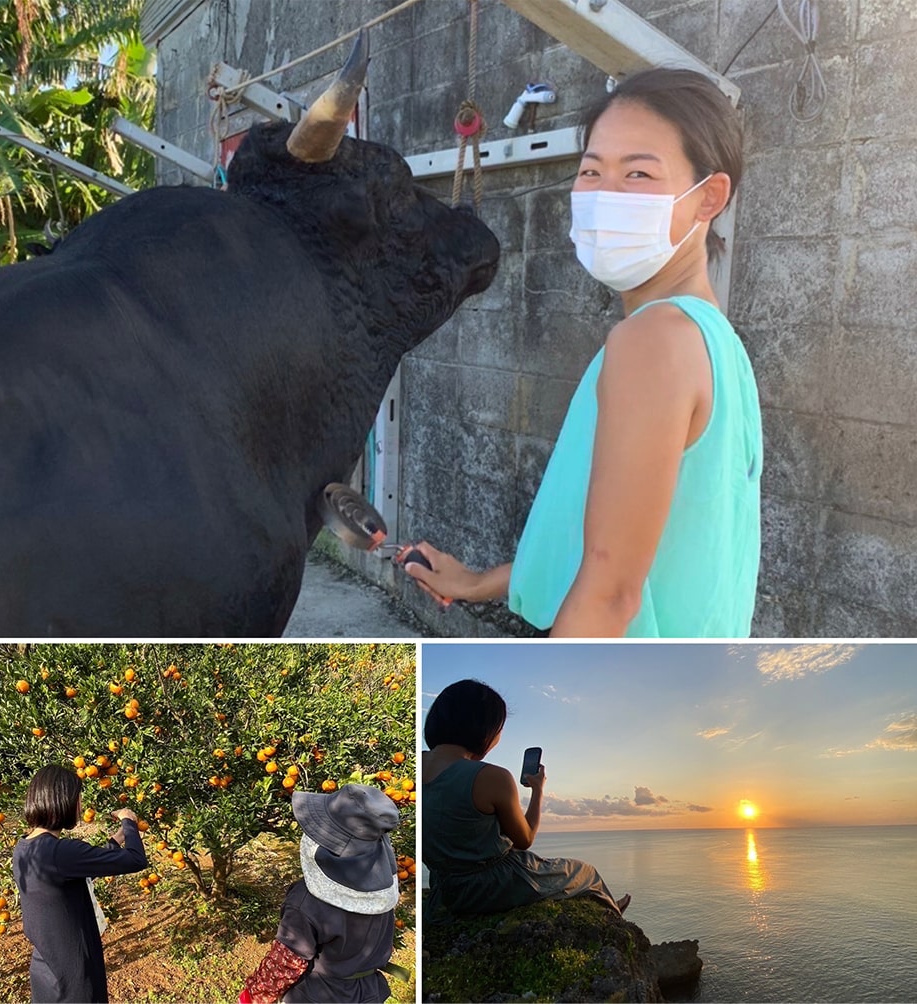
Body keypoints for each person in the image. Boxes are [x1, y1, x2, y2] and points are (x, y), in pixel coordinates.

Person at [405, 68, 762, 638]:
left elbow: (610, 593)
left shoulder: (654, 339)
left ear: (708, 198)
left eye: (638, 172)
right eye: (592, 170)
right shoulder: (715, 342)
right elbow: (624, 548)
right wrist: (476, 582)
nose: (603, 194)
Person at [422, 679, 629, 923]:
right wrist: (538, 790)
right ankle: (615, 917)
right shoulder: (492, 776)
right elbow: (524, 839)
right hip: (495, 885)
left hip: (447, 886)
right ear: (484, 729)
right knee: (586, 872)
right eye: (499, 730)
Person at [241, 784, 407, 1004]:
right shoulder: (382, 889)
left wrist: (252, 996)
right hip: (367, 993)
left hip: (319, 996)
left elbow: (286, 963)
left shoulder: (307, 902)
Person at [12, 765, 148, 1003]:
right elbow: (136, 860)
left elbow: (75, 872)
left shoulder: (25, 848)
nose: (81, 805)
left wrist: (116, 840)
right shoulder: (61, 851)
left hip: (46, 970)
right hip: (74, 979)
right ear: (62, 801)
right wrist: (129, 822)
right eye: (78, 798)